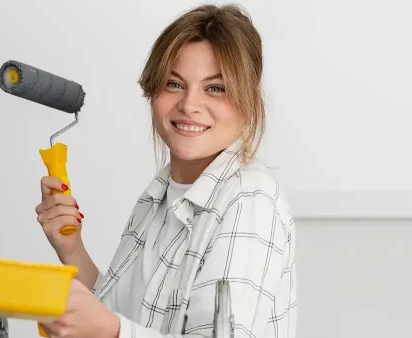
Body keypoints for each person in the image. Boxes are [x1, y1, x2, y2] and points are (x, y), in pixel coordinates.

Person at [35, 3, 297, 338]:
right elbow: (124, 317)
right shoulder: (160, 193)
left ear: (248, 102)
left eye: (216, 88)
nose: (189, 105)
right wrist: (72, 251)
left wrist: (110, 331)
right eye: (174, 84)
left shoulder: (249, 200)